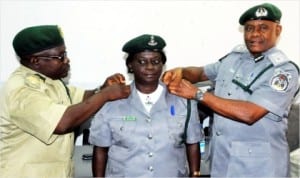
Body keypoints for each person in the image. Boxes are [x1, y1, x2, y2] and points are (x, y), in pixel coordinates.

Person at [162, 3, 299, 177]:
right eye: (249, 28)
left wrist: (198, 94)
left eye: (263, 28)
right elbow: (200, 72)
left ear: (278, 30)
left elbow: (250, 114)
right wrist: (181, 71)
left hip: (259, 168)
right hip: (222, 162)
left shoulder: (283, 72)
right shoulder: (234, 58)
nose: (255, 34)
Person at [0, 25, 130, 178]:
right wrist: (105, 95)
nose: (67, 60)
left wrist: (101, 89)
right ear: (36, 61)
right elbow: (62, 122)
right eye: (60, 57)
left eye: (65, 53)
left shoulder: (51, 80)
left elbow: (78, 99)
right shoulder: (22, 90)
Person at [89, 34, 203, 177]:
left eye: (156, 61)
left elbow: (193, 143)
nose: (150, 67)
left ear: (162, 64)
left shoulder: (183, 100)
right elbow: (100, 149)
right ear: (130, 65)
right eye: (142, 62)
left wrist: (195, 174)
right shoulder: (111, 100)